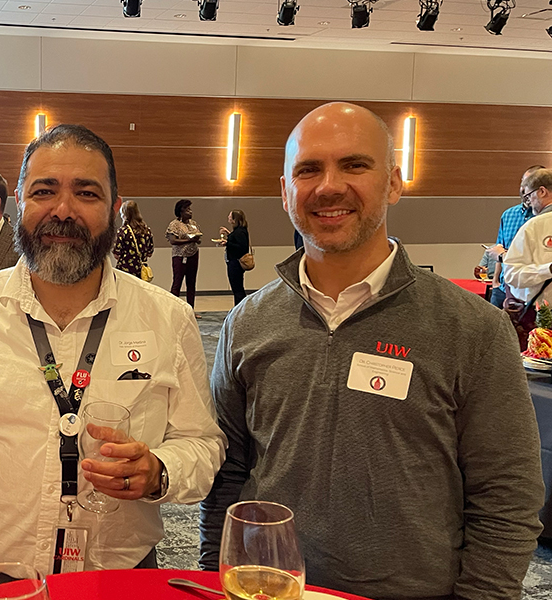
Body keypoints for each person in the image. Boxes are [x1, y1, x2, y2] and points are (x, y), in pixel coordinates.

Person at [199, 102, 543, 600]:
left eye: (354, 165)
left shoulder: (472, 328)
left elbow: (507, 496)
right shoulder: (248, 323)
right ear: (285, 192)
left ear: (394, 184)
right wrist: (215, 580)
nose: (329, 187)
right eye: (308, 170)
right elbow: (226, 476)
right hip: (269, 589)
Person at [0, 124, 225, 600]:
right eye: (44, 191)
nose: (63, 210)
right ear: (20, 201)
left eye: (87, 193)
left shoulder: (167, 318)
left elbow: (202, 443)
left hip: (120, 580)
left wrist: (160, 469)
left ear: (114, 209)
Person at [487, 165, 544, 307]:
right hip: (502, 288)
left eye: (529, 184)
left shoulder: (545, 219)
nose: (524, 189)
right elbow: (500, 247)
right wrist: (495, 281)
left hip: (532, 291)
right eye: (523, 182)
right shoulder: (508, 215)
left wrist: (502, 256)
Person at [503, 168, 552, 309]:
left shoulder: (534, 225)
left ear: (542, 192)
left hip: (542, 312)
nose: (529, 202)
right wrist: (547, 269)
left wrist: (547, 269)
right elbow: (512, 273)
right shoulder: (534, 225)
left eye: (529, 196)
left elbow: (511, 274)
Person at [166, 199, 201, 308]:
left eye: (190, 209)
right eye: (187, 209)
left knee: (191, 283)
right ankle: (173, 309)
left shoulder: (193, 224)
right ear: (181, 211)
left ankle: (190, 309)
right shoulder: (174, 225)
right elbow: (173, 241)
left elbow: (196, 237)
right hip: (180, 256)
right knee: (177, 283)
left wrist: (196, 240)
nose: (190, 212)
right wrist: (189, 240)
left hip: (193, 255)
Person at [111, 200, 154, 279]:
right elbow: (150, 253)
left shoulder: (123, 232)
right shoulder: (146, 231)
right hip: (140, 272)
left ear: (124, 214)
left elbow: (116, 254)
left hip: (124, 271)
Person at [217, 210, 250, 306]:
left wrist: (227, 243)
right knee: (237, 288)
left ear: (234, 219)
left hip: (236, 263)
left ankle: (240, 308)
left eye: (230, 216)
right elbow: (236, 239)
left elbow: (241, 247)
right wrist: (228, 233)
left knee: (237, 289)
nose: (228, 217)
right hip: (234, 262)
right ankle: (240, 308)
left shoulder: (240, 232)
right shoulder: (239, 230)